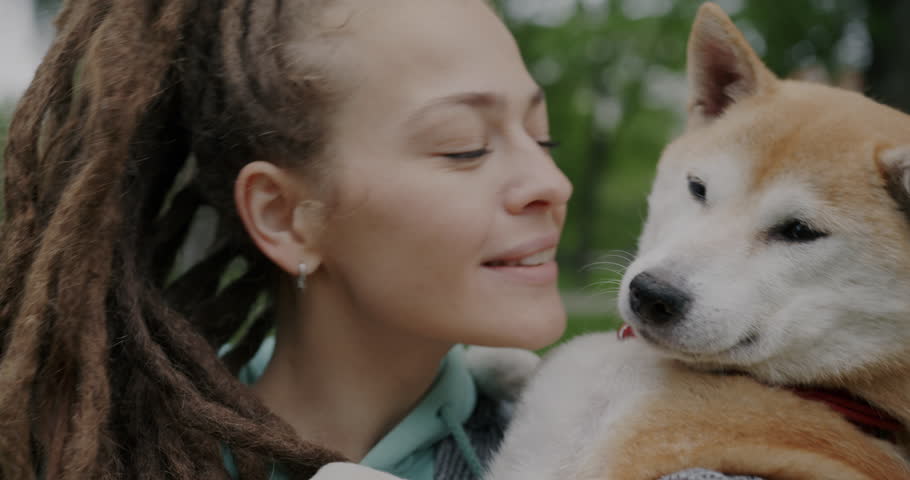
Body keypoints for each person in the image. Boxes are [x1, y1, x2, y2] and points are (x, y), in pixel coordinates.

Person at [0, 0, 765, 479]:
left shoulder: (616, 457)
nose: (550, 184)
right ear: (284, 218)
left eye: (543, 135)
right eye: (465, 145)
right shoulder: (93, 451)